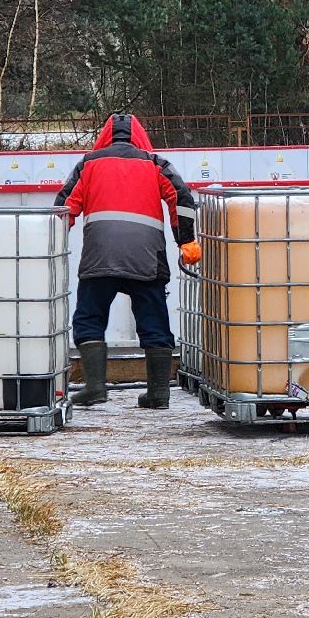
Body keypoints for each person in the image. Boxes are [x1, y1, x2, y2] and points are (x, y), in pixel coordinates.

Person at [57, 113, 200, 409]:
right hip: (146, 256)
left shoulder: (89, 163)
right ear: (139, 136)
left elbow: (63, 207)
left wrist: (52, 243)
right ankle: (159, 393)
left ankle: (95, 387)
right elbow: (182, 198)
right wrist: (185, 240)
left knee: (89, 317)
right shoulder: (155, 163)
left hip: (101, 254)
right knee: (153, 320)